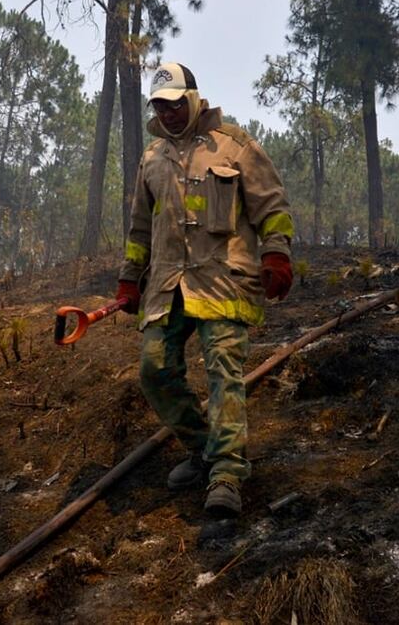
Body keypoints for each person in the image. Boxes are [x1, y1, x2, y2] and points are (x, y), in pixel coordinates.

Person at [117, 62, 294, 518]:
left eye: (176, 103)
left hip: (223, 281)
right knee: (154, 370)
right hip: (168, 286)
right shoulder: (152, 159)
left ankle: (227, 475)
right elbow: (139, 226)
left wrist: (276, 253)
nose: (169, 112)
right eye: (160, 105)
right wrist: (128, 277)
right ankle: (203, 448)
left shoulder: (235, 146)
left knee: (223, 374)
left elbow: (272, 204)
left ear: (193, 98)